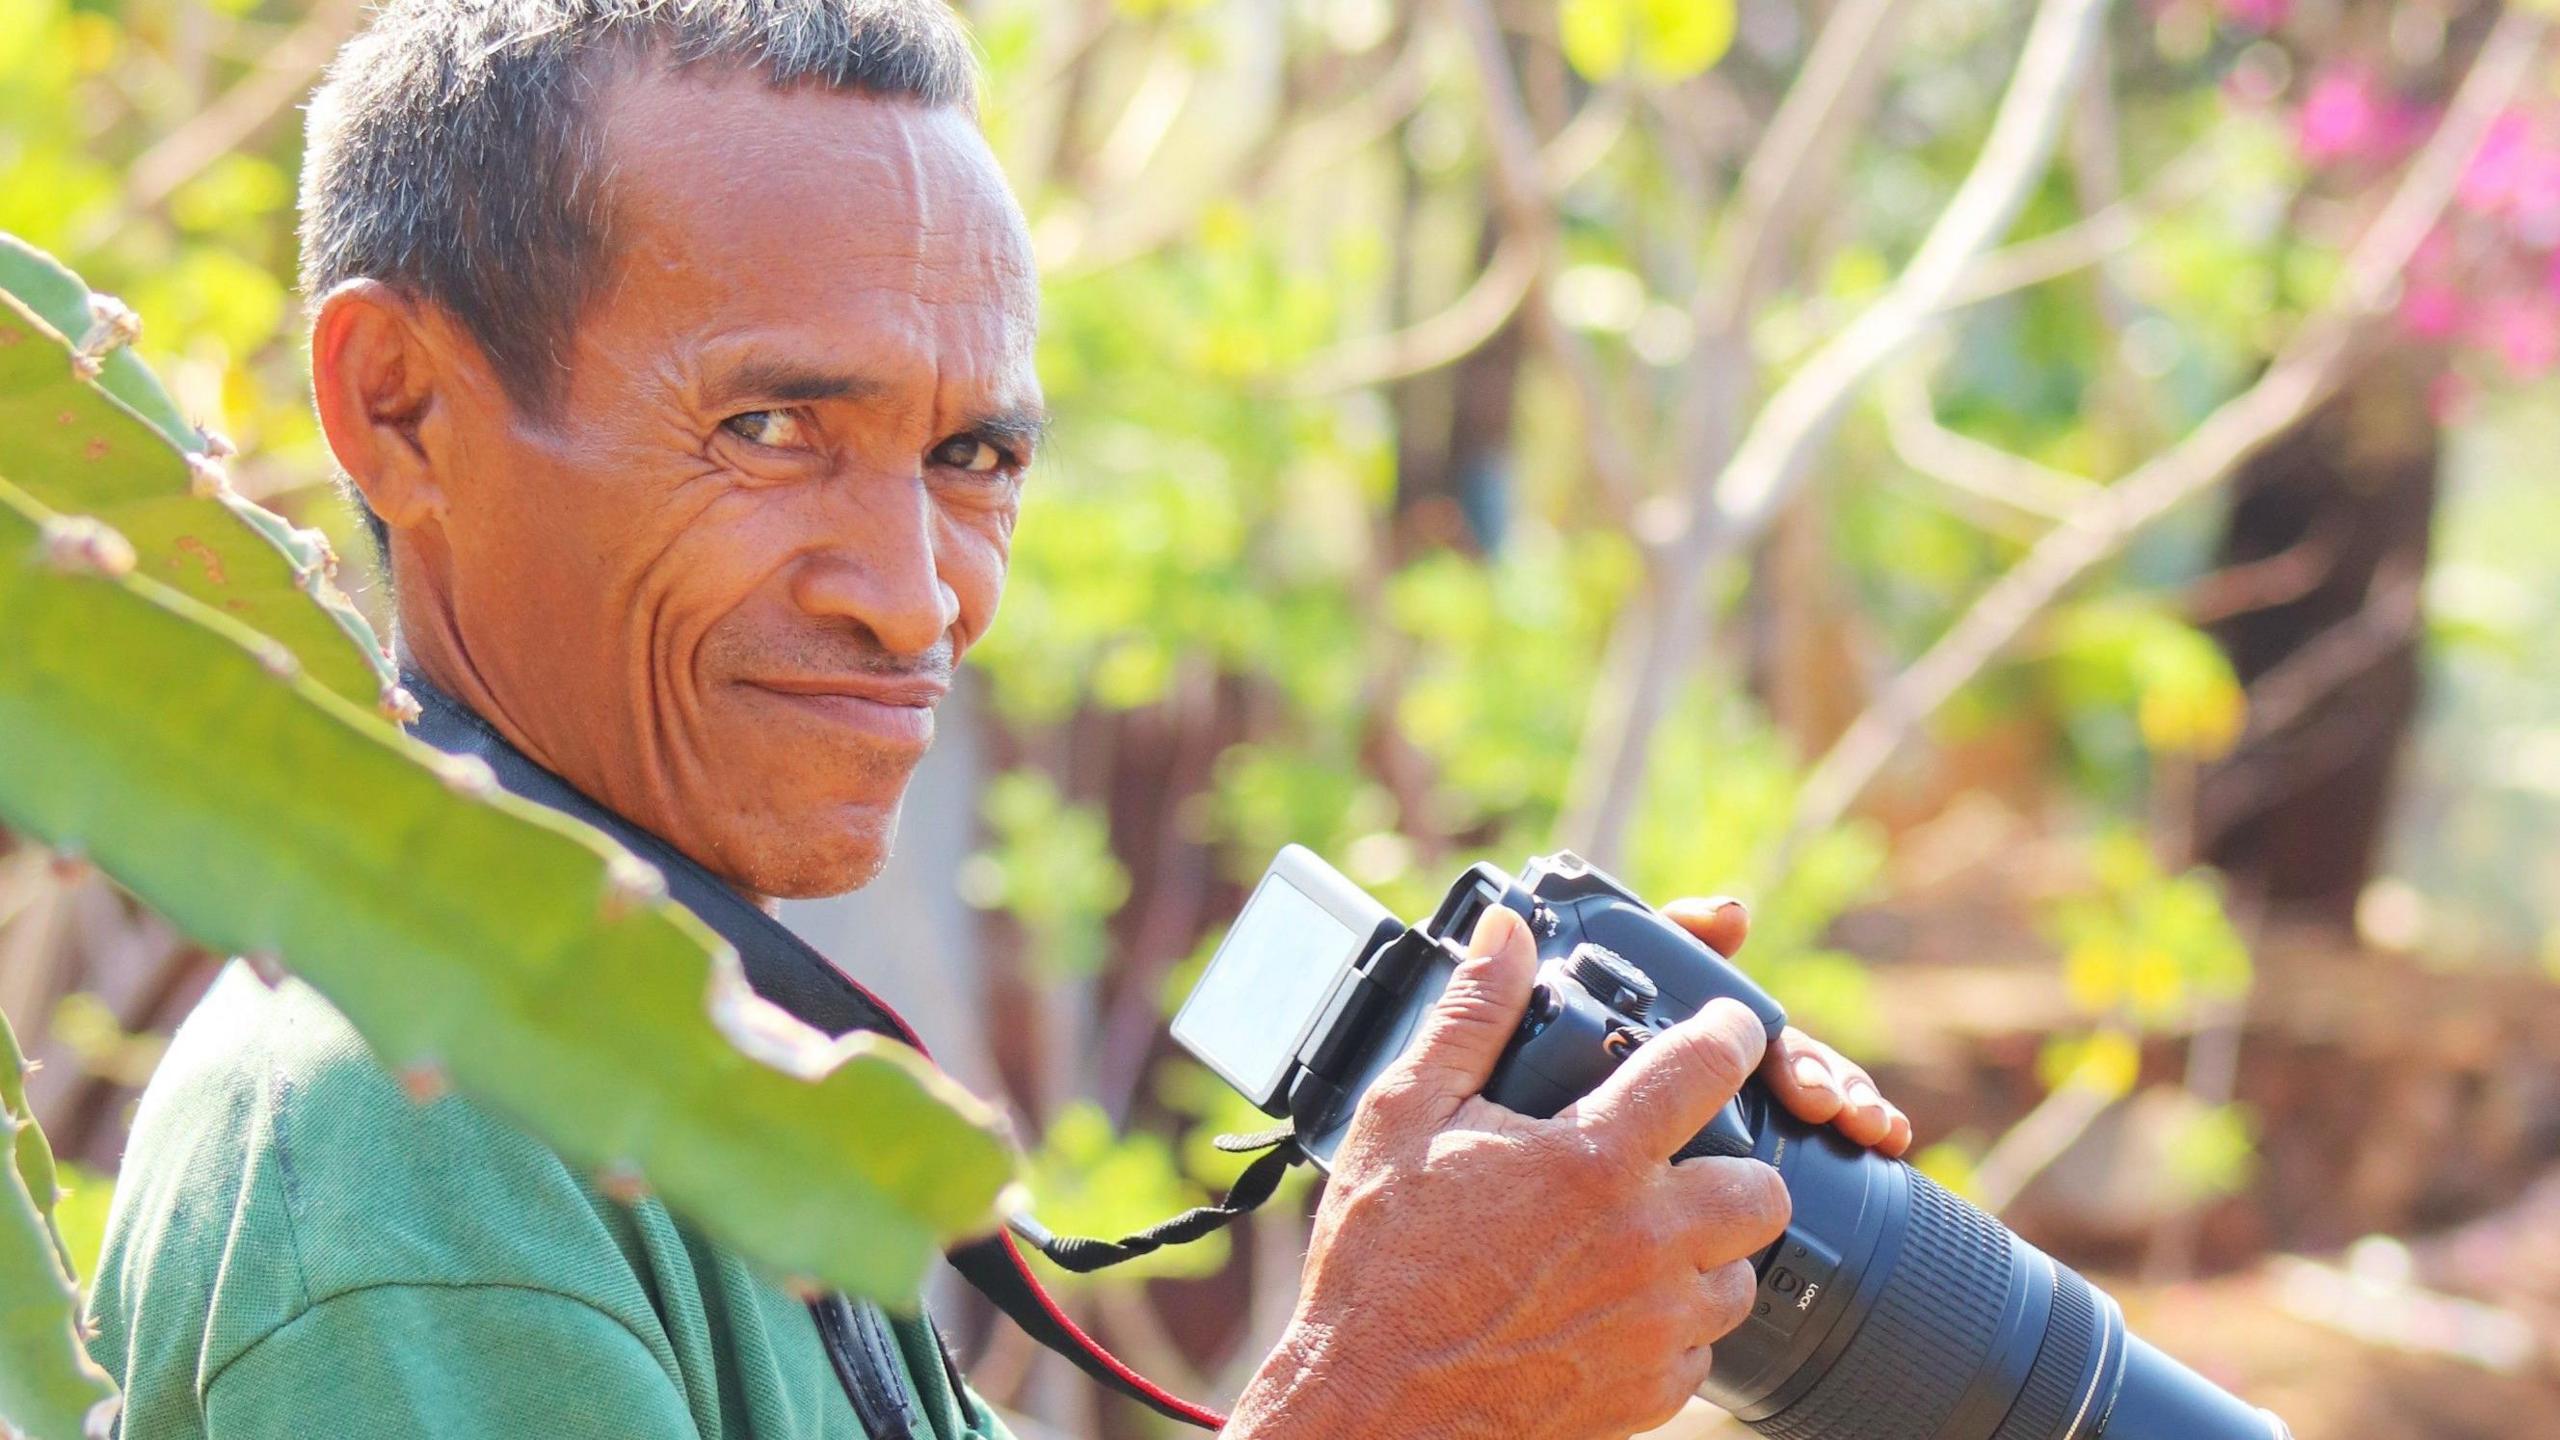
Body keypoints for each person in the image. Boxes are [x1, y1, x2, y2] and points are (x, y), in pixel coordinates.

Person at [85, 2, 1914, 1436]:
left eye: (972, 459)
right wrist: (1385, 1407)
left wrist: (1546, 1236)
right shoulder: (399, 1140)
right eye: (773, 431)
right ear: (398, 409)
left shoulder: (664, 1061)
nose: (917, 591)